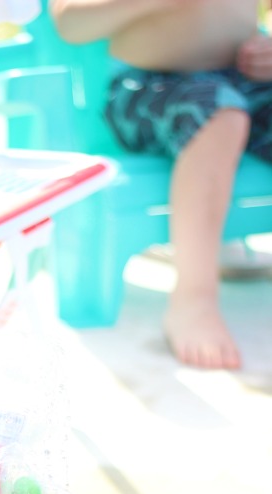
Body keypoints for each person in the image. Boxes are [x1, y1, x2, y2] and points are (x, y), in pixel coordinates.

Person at [50, 0, 272, 369]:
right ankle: (194, 298)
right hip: (147, 87)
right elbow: (70, 23)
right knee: (220, 113)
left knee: (225, 105)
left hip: (245, 81)